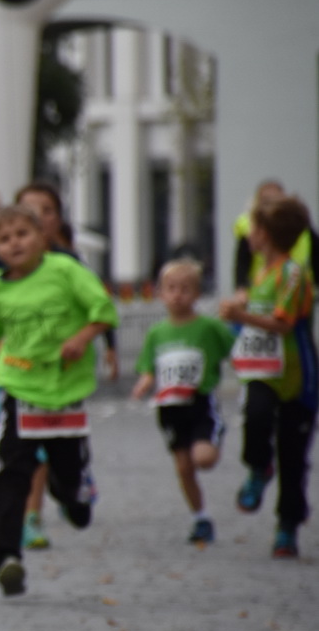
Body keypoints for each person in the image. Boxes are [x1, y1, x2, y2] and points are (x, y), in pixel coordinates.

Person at [0, 204, 117, 596]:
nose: (14, 243)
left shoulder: (65, 271)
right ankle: (7, 557)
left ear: (41, 237)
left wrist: (82, 338)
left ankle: (71, 492)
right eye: (3, 238)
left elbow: (103, 310)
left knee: (67, 475)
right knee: (10, 473)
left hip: (65, 391)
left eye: (22, 234)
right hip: (19, 389)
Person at [219, 196, 317, 557]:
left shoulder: (293, 273)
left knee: (294, 454)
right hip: (263, 374)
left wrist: (242, 317)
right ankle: (258, 467)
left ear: (266, 234)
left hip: (296, 377)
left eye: (253, 228)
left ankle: (288, 524)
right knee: (256, 417)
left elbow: (282, 323)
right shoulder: (260, 273)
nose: (248, 235)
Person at [130, 259, 235, 545]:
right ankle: (200, 517)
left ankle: (214, 435)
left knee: (203, 459)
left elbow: (232, 344)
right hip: (169, 408)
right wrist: (144, 383)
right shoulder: (157, 332)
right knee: (183, 467)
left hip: (199, 404)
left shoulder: (207, 327)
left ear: (197, 294)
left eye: (186, 289)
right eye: (171, 288)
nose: (178, 295)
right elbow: (149, 366)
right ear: (160, 293)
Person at [231, 179, 317, 291]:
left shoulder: (291, 276)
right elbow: (242, 262)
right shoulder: (262, 274)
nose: (249, 234)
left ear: (263, 234)